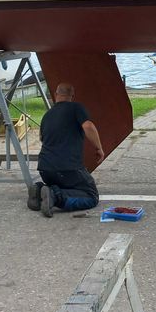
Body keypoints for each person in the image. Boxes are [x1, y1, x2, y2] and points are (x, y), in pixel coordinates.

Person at [27, 82, 104, 217]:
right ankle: (55, 196)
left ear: (56, 95)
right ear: (72, 96)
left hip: (45, 170)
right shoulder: (76, 108)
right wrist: (99, 148)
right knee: (91, 196)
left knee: (67, 185)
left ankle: (39, 190)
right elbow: (88, 126)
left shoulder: (47, 115)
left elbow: (41, 138)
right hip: (68, 168)